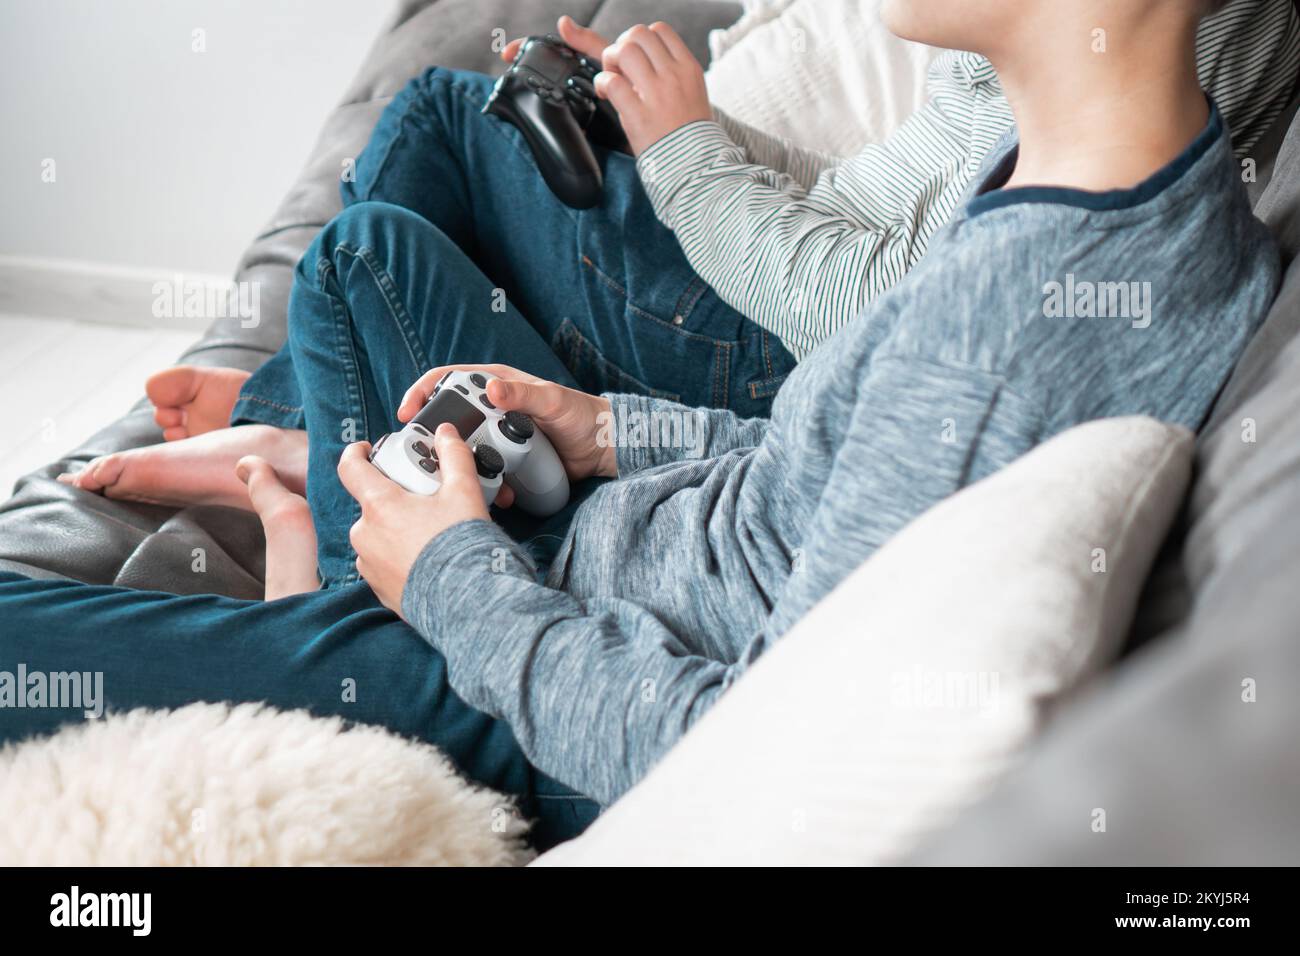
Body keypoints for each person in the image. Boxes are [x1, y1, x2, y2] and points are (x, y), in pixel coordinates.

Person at [0, 0, 1281, 846]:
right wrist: (612, 429)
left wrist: (452, 577)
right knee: (375, 252)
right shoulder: (1094, 194)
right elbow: (816, 472)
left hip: (525, 681)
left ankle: (313, 578)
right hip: (568, 557)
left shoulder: (1014, 326)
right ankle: (309, 518)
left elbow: (736, 743)